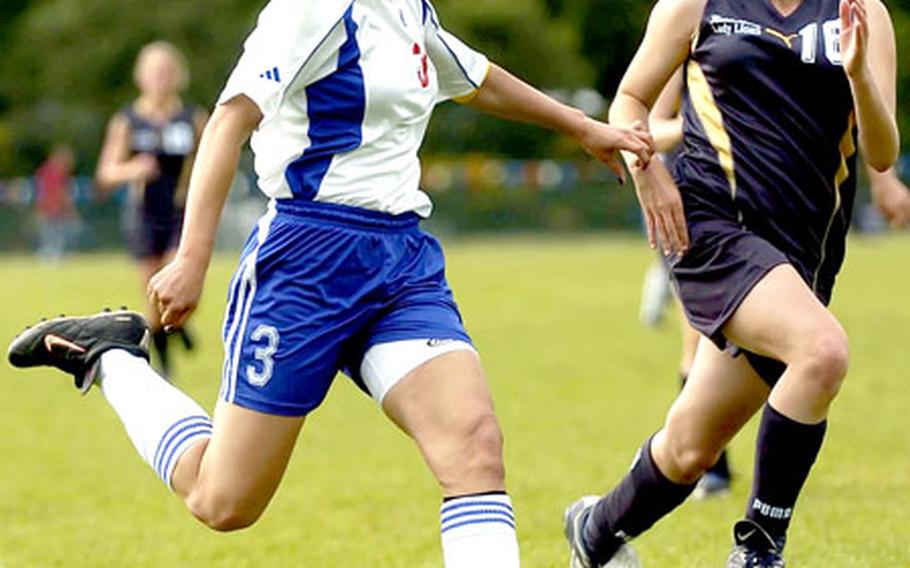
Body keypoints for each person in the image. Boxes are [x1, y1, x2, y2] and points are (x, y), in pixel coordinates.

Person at [8, 2, 653, 567]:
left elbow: (472, 75)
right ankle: (114, 358)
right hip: (306, 263)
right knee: (223, 500)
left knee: (474, 448)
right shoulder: (310, 9)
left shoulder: (409, 9)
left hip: (401, 262)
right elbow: (230, 124)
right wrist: (192, 259)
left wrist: (583, 126)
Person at [564, 0, 897, 566]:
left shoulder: (863, 10)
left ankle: (594, 532)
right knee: (821, 351)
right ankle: (759, 552)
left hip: (803, 257)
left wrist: (860, 72)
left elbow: (883, 153)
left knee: (690, 448)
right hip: (714, 228)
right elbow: (631, 99)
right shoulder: (697, 3)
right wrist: (649, 176)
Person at [638, 68, 734, 499]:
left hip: (760, 210)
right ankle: (709, 469)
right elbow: (650, 129)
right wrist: (702, 123)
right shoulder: (688, 32)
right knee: (699, 341)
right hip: (695, 210)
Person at [95, 41, 207, 377]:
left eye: (167, 72)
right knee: (155, 293)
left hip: (181, 211)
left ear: (178, 77)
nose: (161, 79)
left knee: (179, 276)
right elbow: (106, 173)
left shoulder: (193, 118)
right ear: (141, 77)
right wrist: (133, 169)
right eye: (155, 72)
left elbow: (212, 161)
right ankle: (170, 347)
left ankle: (169, 356)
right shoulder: (128, 121)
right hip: (143, 213)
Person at [34, 144, 80, 264]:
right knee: (53, 231)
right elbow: (59, 191)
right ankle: (51, 255)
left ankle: (53, 254)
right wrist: (68, 208)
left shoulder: (46, 170)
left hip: (50, 207)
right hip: (53, 207)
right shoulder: (55, 171)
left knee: (54, 231)